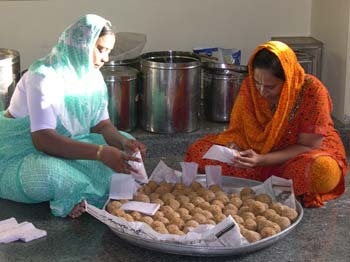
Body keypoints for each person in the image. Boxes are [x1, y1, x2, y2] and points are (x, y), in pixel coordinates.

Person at [0, 14, 146, 218]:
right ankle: (73, 190)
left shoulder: (92, 78)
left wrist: (122, 142)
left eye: (108, 52)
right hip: (18, 155)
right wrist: (100, 153)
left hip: (64, 147)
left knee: (126, 146)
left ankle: (79, 190)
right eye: (100, 49)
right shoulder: (43, 76)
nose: (105, 58)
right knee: (48, 175)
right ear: (81, 45)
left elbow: (101, 126)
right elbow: (42, 140)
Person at [185, 41, 348, 207]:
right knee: (198, 151)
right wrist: (234, 147)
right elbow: (238, 131)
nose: (262, 91)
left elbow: (308, 146)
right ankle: (274, 185)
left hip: (300, 154)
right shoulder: (250, 86)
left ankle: (262, 180)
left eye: (270, 87)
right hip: (256, 154)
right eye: (258, 83)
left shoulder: (313, 91)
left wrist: (262, 160)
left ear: (288, 79)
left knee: (321, 170)